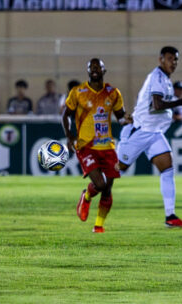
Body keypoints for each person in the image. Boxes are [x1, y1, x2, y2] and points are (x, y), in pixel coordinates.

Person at [116, 46, 182, 228]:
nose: (173, 62)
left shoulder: (164, 80)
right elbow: (157, 104)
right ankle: (89, 193)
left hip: (155, 133)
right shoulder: (157, 77)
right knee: (116, 170)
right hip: (141, 131)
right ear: (161, 60)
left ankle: (170, 216)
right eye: (170, 58)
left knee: (167, 168)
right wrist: (179, 102)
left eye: (176, 59)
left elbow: (154, 106)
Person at [62, 58, 127, 233]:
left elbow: (121, 117)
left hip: (107, 147)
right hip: (86, 145)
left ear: (104, 70)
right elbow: (66, 115)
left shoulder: (113, 93)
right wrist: (70, 136)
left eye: (98, 67)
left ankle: (98, 226)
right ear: (88, 71)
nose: (95, 69)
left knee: (108, 189)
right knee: (100, 184)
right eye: (91, 67)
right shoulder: (78, 92)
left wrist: (127, 121)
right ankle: (88, 195)